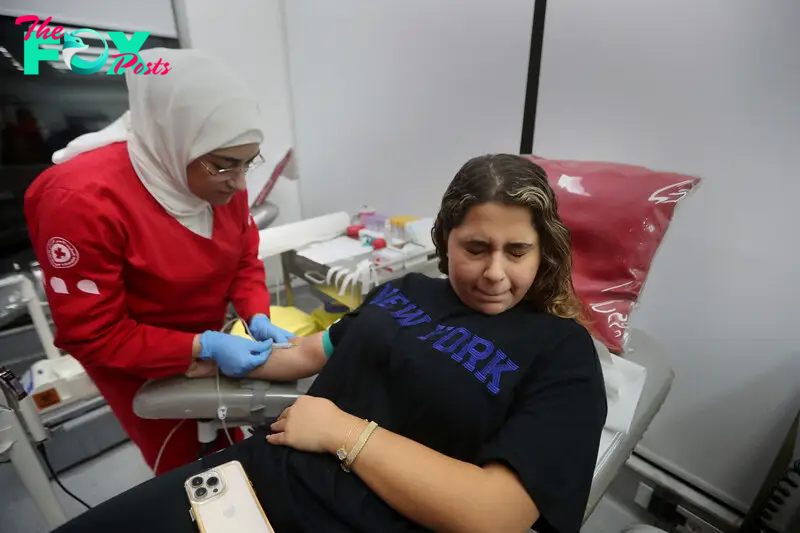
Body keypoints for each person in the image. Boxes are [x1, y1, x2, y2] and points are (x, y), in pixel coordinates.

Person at [54, 154, 608, 533]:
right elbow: (308, 354)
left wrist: (346, 433)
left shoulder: (562, 352)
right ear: (446, 240)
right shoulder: (408, 290)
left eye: (517, 251)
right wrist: (207, 354)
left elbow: (496, 514)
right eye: (476, 247)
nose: (493, 273)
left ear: (544, 252)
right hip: (258, 479)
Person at [24, 48, 294, 475]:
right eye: (225, 167)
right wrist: (201, 347)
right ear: (175, 141)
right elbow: (95, 333)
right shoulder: (78, 200)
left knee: (229, 440)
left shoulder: (218, 174)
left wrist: (256, 313)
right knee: (187, 464)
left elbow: (243, 257)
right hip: (130, 353)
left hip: (204, 333)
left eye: (248, 164)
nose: (240, 183)